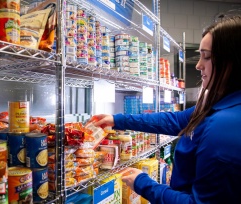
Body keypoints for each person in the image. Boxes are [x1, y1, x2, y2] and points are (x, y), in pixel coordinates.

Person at [92, 15, 241, 203]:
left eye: (207, 57)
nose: (198, 65)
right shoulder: (219, 105)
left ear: (231, 62)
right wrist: (117, 119)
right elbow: (175, 121)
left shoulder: (224, 128)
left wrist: (143, 183)